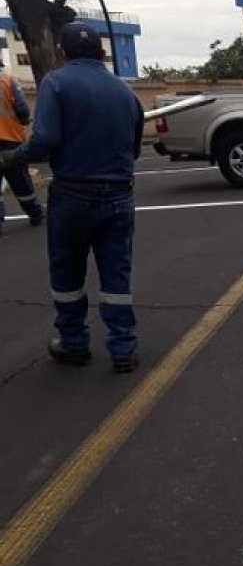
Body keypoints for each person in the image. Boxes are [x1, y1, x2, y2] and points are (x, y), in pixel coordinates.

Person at [0, 23, 144, 372]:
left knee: (67, 274)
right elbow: (135, 147)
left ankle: (74, 343)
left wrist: (15, 157)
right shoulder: (124, 91)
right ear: (102, 52)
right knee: (116, 275)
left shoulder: (56, 82)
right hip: (118, 196)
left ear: (62, 53)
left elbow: (45, 139)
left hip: (73, 196)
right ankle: (123, 348)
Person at [0, 59, 45, 234]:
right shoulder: (7, 80)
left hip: (8, 139)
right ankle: (35, 214)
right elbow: (22, 109)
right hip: (10, 140)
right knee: (21, 181)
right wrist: (25, 120)